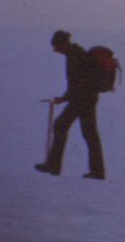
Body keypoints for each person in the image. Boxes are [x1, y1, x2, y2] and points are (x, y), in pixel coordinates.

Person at [35, 30, 105, 179]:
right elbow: (78, 82)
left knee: (62, 125)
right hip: (86, 98)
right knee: (89, 133)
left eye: (56, 46)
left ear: (63, 43)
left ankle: (54, 165)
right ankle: (97, 170)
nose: (55, 50)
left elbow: (77, 83)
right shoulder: (76, 54)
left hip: (82, 99)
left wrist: (64, 98)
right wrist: (66, 97)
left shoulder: (75, 56)